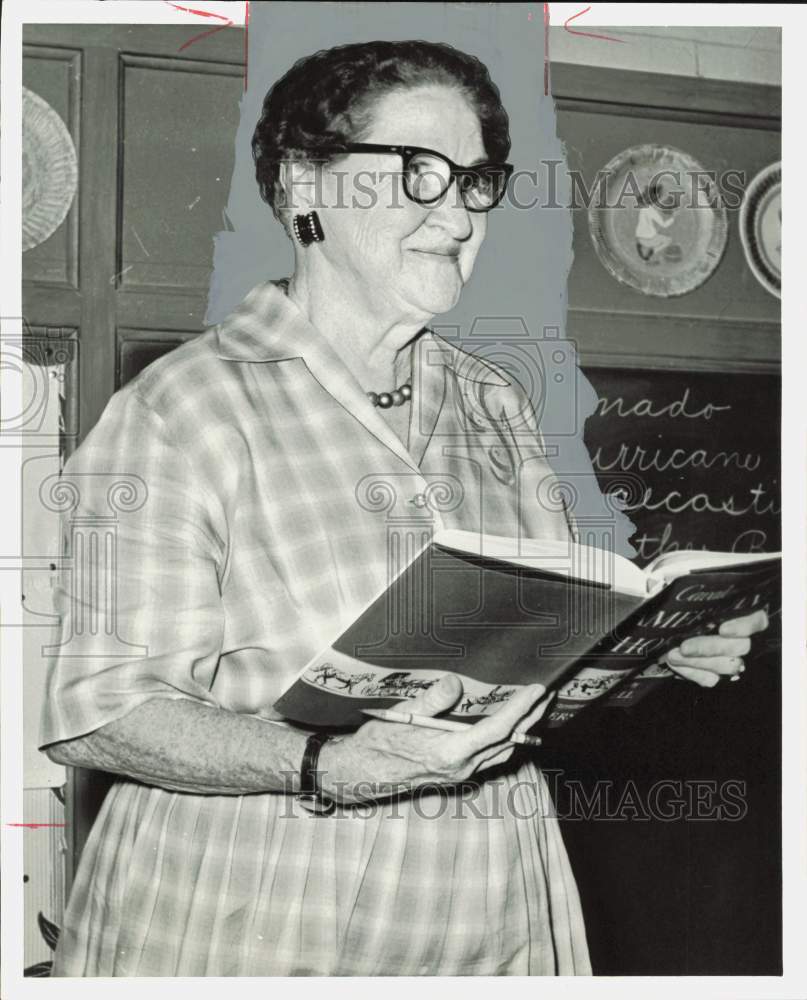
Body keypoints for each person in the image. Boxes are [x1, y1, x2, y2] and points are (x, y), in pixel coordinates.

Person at [40, 39, 768, 977]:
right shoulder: (183, 408)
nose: (458, 214)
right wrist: (322, 765)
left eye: (473, 181)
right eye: (417, 173)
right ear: (303, 185)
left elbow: (534, 673)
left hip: (486, 907)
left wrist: (648, 650)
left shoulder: (491, 403)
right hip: (252, 910)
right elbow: (99, 711)